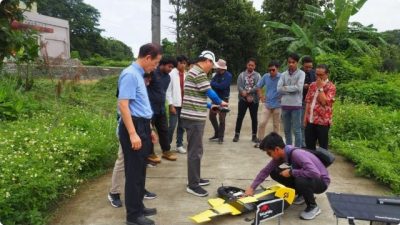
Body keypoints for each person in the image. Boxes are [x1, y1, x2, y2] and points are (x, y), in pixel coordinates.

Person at [117, 43, 161, 225]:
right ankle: (133, 217)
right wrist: (133, 134)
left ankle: (139, 207)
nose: (156, 66)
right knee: (134, 174)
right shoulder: (129, 74)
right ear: (148, 57)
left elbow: (140, 106)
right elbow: (123, 105)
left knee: (141, 171)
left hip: (142, 125)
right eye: (156, 62)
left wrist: (148, 129)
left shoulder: (139, 74)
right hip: (133, 127)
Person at [245, 132, 330, 220]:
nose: (269, 156)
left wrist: (292, 172)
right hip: (309, 178)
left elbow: (314, 173)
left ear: (277, 149)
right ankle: (301, 194)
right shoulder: (282, 154)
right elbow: (266, 171)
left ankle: (313, 207)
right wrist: (252, 188)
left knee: (300, 180)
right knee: (274, 172)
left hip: (321, 182)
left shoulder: (296, 154)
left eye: (269, 153)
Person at [181, 50, 228, 197]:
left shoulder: (192, 71)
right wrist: (220, 102)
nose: (211, 69)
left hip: (192, 115)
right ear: (206, 61)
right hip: (194, 118)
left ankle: (195, 178)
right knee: (195, 151)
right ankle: (193, 185)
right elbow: (210, 92)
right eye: (211, 65)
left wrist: (210, 106)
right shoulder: (199, 73)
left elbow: (197, 95)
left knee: (196, 150)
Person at [147, 57, 178, 164]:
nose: (171, 69)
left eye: (172, 67)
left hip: (161, 109)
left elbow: (163, 92)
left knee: (164, 130)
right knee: (149, 132)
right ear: (163, 64)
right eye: (169, 66)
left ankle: (166, 151)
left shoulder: (168, 78)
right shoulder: (152, 74)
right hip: (150, 109)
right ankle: (150, 153)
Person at [304, 64, 336, 150]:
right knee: (309, 147)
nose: (318, 77)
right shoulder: (312, 85)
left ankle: (322, 164)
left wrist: (320, 88)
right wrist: (305, 118)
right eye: (316, 74)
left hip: (323, 122)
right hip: (310, 120)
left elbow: (324, 102)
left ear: (327, 74)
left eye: (321, 75)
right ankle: (311, 163)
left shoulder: (331, 87)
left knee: (322, 149)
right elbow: (308, 101)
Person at [278, 53, 305, 147]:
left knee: (297, 130)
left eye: (293, 62)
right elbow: (278, 88)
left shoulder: (302, 73)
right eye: (289, 62)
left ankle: (298, 151)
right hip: (285, 105)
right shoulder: (283, 74)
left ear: (297, 63)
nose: (291, 64)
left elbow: (299, 88)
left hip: (296, 105)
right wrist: (291, 89)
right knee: (286, 130)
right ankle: (289, 149)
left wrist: (285, 88)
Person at [233, 58, 261, 143]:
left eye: (252, 65)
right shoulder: (241, 75)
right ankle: (236, 135)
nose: (250, 67)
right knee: (240, 117)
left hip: (254, 100)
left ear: (254, 66)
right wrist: (243, 93)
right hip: (243, 99)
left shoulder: (258, 75)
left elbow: (258, 86)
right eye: (249, 65)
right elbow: (239, 86)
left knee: (254, 118)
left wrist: (249, 92)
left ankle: (254, 136)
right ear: (247, 65)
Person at [254, 60, 281, 148]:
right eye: (269, 70)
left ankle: (277, 144)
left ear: (277, 69)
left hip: (278, 104)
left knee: (276, 125)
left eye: (273, 70)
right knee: (262, 123)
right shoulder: (266, 76)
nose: (271, 72)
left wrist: (283, 97)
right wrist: (261, 96)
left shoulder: (282, 77)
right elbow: (258, 86)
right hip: (267, 104)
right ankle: (260, 140)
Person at [167, 55, 188, 154]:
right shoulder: (171, 74)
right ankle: (167, 145)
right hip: (175, 104)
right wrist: (170, 105)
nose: (183, 65)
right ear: (178, 63)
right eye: (182, 63)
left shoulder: (186, 75)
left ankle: (179, 145)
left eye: (185, 63)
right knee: (171, 126)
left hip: (184, 104)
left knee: (182, 126)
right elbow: (168, 91)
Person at [208, 59, 232, 144]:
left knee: (222, 118)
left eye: (217, 67)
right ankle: (217, 133)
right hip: (215, 99)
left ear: (221, 68)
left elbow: (222, 86)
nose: (216, 68)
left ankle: (221, 137)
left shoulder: (228, 75)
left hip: (223, 99)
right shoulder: (216, 74)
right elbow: (212, 83)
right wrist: (215, 85)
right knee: (211, 116)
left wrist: (214, 84)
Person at [301, 56, 316, 147]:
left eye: (310, 67)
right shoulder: (298, 73)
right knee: (302, 122)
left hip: (313, 102)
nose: (308, 69)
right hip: (302, 100)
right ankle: (302, 142)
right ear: (303, 65)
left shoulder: (314, 73)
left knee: (311, 123)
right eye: (307, 67)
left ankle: (310, 142)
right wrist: (303, 86)